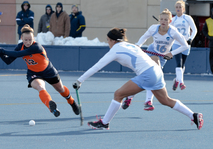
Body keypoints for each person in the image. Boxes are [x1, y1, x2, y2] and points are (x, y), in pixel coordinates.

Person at [72, 28, 203, 130]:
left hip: (148, 74)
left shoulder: (115, 50)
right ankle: (194, 115)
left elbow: (97, 66)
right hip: (156, 70)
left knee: (118, 94)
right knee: (166, 100)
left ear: (113, 40)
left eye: (108, 40)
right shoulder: (131, 45)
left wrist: (80, 81)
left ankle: (105, 123)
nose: (108, 43)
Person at [0, 24, 80, 117]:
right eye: (26, 40)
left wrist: (0, 49)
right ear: (21, 38)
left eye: (30, 39)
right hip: (33, 73)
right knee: (40, 87)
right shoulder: (20, 46)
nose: (28, 42)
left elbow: (17, 54)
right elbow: (8, 60)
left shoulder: (36, 46)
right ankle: (51, 105)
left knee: (61, 89)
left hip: (48, 71)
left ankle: (72, 102)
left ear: (33, 38)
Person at [122, 9, 189, 111]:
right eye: (161, 19)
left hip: (163, 57)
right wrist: (138, 46)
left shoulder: (173, 32)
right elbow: (144, 37)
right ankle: (148, 101)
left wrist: (172, 53)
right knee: (152, 75)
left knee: (147, 78)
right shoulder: (154, 28)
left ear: (170, 21)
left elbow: (185, 46)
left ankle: (130, 96)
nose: (163, 21)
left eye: (166, 20)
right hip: (151, 53)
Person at [170, 0, 197, 91]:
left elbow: (194, 29)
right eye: (177, 7)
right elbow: (168, 31)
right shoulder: (173, 20)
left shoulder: (187, 18)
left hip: (186, 44)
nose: (178, 9)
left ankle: (177, 79)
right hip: (177, 44)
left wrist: (190, 39)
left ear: (183, 9)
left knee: (182, 65)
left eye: (180, 7)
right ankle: (181, 83)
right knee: (179, 63)